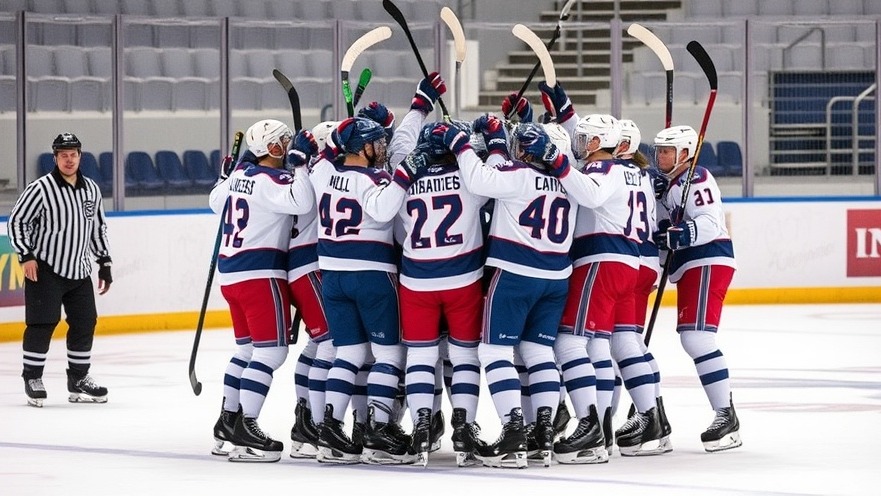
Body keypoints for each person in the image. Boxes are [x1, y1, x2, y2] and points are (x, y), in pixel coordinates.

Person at [433, 115, 575, 468]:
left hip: (515, 275)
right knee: (538, 351)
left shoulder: (519, 174)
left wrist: (460, 145)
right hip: (556, 279)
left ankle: (513, 432)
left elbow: (478, 180)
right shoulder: (571, 182)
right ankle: (542, 432)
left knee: (493, 352)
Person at [308, 116, 414, 464]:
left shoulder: (323, 173)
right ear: (363, 147)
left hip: (333, 276)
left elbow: (324, 157)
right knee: (388, 355)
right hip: (372, 276)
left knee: (349, 354)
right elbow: (384, 212)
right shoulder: (377, 180)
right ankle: (377, 433)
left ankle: (330, 429)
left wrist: (339, 140)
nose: (382, 148)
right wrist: (404, 175)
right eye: (377, 143)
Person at [208, 119, 315, 462]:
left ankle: (228, 420)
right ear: (272, 148)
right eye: (284, 141)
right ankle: (247, 427)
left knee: (246, 351)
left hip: (231, 277)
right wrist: (302, 166)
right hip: (260, 274)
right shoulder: (273, 180)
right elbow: (302, 203)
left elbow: (215, 200)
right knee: (271, 354)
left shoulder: (239, 175)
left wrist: (226, 174)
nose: (287, 145)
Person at [652, 125, 741, 453]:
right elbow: (664, 232)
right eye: (659, 150)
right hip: (691, 265)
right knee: (692, 338)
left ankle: (726, 415)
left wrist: (681, 234)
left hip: (708, 258)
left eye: (667, 151)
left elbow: (709, 222)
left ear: (685, 153)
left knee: (697, 339)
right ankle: (723, 413)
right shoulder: (670, 186)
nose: (660, 156)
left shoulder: (697, 177)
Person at [7, 132, 113, 408]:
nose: (69, 159)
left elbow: (97, 228)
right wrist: (26, 256)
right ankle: (33, 377)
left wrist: (104, 262)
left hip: (80, 270)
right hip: (45, 269)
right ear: (55, 158)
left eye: (73, 154)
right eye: (63, 155)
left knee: (85, 322)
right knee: (42, 323)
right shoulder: (40, 189)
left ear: (80, 156)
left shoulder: (91, 189)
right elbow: (17, 222)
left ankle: (78, 378)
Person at [612, 118, 673, 453]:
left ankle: (642, 416)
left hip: (625, 261)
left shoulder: (611, 173)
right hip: (645, 263)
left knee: (617, 343)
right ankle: (656, 415)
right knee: (632, 342)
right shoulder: (646, 176)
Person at [284, 123, 333, 460]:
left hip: (301, 267)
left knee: (317, 344)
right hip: (308, 266)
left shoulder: (303, 172)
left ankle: (304, 423)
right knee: (331, 341)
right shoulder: (318, 174)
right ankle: (316, 425)